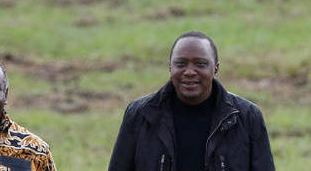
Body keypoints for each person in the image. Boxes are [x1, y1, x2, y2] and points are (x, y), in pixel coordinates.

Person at [108, 31, 275, 171]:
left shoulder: (247, 117)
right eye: (180, 64)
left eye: (200, 64)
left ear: (215, 69)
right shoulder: (140, 114)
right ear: (170, 68)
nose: (189, 72)